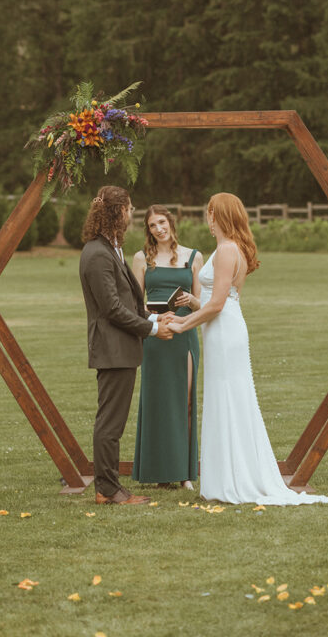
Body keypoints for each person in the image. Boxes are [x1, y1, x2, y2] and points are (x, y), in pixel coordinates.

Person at [167, 193, 328, 506]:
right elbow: (219, 298)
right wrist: (192, 306)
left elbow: (218, 303)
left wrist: (183, 325)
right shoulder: (232, 248)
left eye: (209, 213)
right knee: (226, 397)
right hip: (223, 326)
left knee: (229, 397)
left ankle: (235, 478)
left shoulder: (227, 249)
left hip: (223, 330)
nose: (208, 219)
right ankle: (227, 474)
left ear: (216, 216)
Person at [79, 186, 173, 506]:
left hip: (122, 348)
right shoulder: (96, 254)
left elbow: (129, 304)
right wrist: (152, 330)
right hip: (112, 349)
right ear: (117, 212)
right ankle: (107, 489)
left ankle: (108, 487)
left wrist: (156, 317)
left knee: (113, 422)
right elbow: (112, 310)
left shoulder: (112, 249)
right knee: (110, 424)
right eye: (129, 208)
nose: (132, 214)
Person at [131, 205, 202, 489]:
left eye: (162, 222)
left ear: (171, 223)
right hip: (156, 334)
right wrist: (154, 316)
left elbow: (202, 304)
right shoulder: (141, 259)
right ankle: (156, 471)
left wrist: (189, 301)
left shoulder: (193, 257)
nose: (158, 229)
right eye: (152, 225)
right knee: (156, 402)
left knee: (185, 400)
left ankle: (184, 473)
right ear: (148, 230)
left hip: (184, 334)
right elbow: (135, 304)